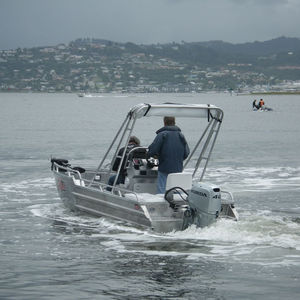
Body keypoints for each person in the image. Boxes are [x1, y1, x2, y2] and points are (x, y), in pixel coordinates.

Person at [147, 116, 190, 194]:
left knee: (162, 187)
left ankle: (162, 204)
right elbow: (186, 152)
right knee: (176, 188)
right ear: (174, 122)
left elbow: (153, 150)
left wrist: (151, 154)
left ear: (164, 123)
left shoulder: (162, 134)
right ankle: (176, 204)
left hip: (164, 166)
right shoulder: (181, 135)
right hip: (178, 168)